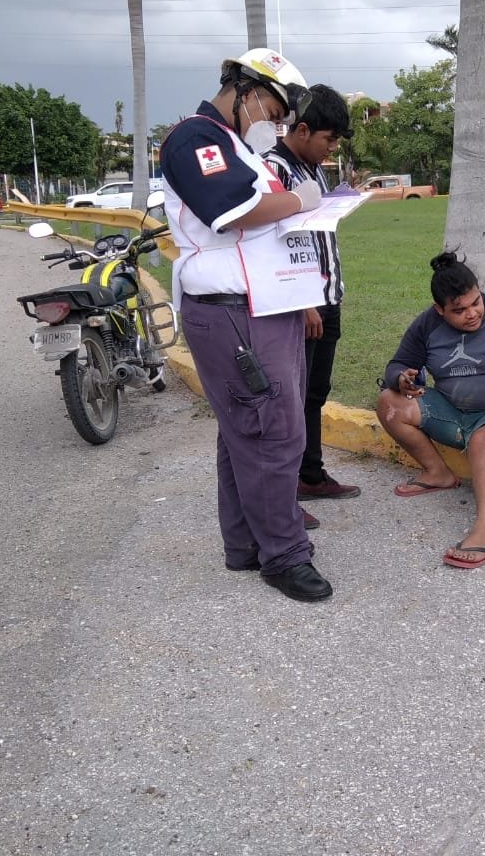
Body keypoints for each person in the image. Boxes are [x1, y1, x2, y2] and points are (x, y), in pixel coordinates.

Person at [159, 47, 333, 603]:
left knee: (245, 432)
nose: (275, 124)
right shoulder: (195, 138)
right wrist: (298, 198)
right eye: (273, 110)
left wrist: (293, 204)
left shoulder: (233, 144)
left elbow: (263, 212)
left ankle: (244, 545)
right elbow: (233, 210)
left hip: (262, 305)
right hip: (233, 311)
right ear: (245, 89)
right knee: (272, 434)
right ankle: (283, 557)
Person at [376, 251, 485, 569]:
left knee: (483, 441)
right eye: (459, 310)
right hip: (453, 413)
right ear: (439, 310)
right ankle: (437, 473)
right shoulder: (426, 325)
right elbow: (399, 364)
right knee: (389, 402)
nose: (472, 314)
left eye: (476, 302)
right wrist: (400, 379)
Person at [260, 84, 362, 515]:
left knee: (315, 393)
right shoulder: (272, 170)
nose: (331, 148)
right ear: (301, 129)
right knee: (290, 400)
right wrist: (303, 303)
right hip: (299, 303)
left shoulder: (313, 169)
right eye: (328, 139)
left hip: (327, 296)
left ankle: (310, 474)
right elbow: (273, 243)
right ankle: (283, 495)